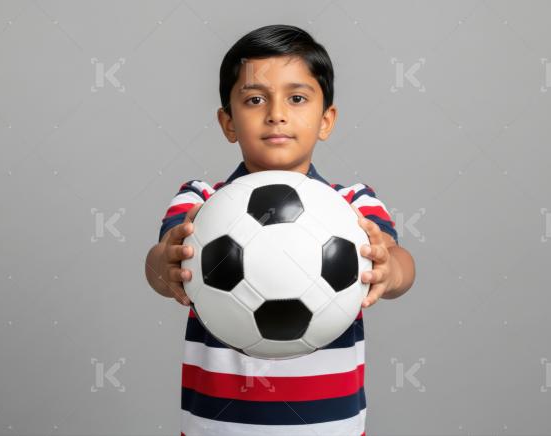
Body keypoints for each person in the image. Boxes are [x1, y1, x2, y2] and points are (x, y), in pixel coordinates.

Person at [145, 24, 416, 436]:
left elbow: (400, 266)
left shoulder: (352, 205)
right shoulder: (200, 203)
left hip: (329, 427)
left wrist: (389, 270)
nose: (276, 113)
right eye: (255, 99)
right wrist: (162, 266)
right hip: (217, 427)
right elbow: (160, 261)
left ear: (326, 120)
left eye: (297, 98)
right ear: (228, 122)